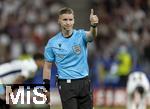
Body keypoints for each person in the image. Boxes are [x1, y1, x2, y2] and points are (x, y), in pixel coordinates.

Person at [43, 7, 99, 109]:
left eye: (70, 19)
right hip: (66, 84)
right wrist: (46, 87)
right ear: (59, 21)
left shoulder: (81, 35)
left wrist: (93, 25)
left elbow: (92, 36)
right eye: (65, 20)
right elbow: (47, 67)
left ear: (74, 21)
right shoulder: (52, 43)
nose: (68, 22)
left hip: (84, 82)